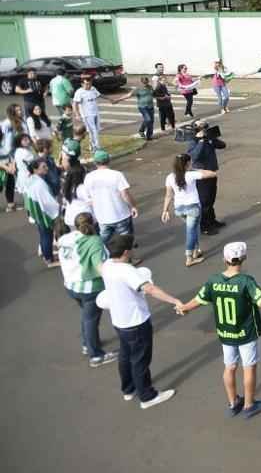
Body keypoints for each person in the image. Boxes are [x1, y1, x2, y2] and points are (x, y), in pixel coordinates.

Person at [177, 241, 261, 418]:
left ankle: (233, 403)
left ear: (224, 259)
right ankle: (249, 405)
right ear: (244, 258)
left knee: (229, 367)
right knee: (248, 368)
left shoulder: (213, 281)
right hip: (246, 333)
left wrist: (184, 307)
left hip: (225, 333)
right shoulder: (246, 282)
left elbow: (198, 300)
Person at [97, 233, 185, 409]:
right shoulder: (127, 271)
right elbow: (150, 289)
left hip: (119, 320)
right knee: (140, 359)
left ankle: (128, 389)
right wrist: (175, 301)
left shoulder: (107, 266)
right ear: (126, 251)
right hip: (136, 321)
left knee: (125, 355)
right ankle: (147, 396)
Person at [58, 213, 117, 367]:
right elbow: (99, 266)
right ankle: (95, 355)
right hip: (90, 288)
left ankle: (87, 344)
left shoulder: (66, 238)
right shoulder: (94, 241)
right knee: (91, 320)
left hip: (71, 286)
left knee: (86, 316)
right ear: (93, 223)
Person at [161, 153, 218, 267]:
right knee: (191, 232)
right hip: (193, 208)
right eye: (190, 162)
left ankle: (196, 251)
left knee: (195, 228)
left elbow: (168, 195)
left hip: (179, 209)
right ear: (187, 164)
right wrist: (196, 169)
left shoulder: (170, 177)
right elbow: (212, 173)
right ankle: (189, 258)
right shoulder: (191, 175)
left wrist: (165, 210)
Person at [82, 149, 139, 248]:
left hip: (102, 217)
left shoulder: (89, 177)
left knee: (103, 240)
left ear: (95, 162)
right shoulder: (117, 175)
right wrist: (133, 206)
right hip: (121, 215)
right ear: (109, 160)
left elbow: (88, 199)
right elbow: (125, 194)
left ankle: (101, 257)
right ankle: (129, 259)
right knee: (126, 240)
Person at [187, 122, 226, 235]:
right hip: (201, 175)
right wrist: (201, 141)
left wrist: (212, 139)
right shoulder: (193, 141)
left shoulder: (209, 139)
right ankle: (204, 226)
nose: (205, 129)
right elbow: (195, 156)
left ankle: (212, 220)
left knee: (211, 198)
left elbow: (222, 145)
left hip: (212, 172)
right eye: (202, 127)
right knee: (204, 201)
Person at [25, 156, 61, 268]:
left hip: (36, 212)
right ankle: (49, 259)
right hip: (43, 214)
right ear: (35, 169)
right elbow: (48, 203)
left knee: (43, 234)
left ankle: (47, 255)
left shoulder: (32, 179)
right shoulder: (40, 185)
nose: (47, 168)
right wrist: (58, 209)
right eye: (43, 167)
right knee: (47, 235)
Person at [72, 76, 112, 150]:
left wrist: (110, 99)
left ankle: (93, 146)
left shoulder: (93, 89)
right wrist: (77, 115)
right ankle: (96, 147)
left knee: (96, 130)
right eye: (86, 84)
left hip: (95, 113)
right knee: (92, 131)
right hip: (87, 115)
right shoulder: (79, 92)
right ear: (82, 84)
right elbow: (75, 104)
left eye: (90, 84)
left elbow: (99, 95)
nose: (88, 86)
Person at [151, 64, 176, 133]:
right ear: (156, 68)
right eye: (160, 67)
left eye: (162, 67)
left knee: (170, 114)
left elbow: (167, 83)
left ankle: (171, 125)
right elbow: (154, 91)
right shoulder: (155, 77)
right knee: (163, 115)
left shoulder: (163, 75)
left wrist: (174, 85)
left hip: (167, 100)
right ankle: (164, 128)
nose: (162, 68)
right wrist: (162, 97)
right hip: (162, 101)